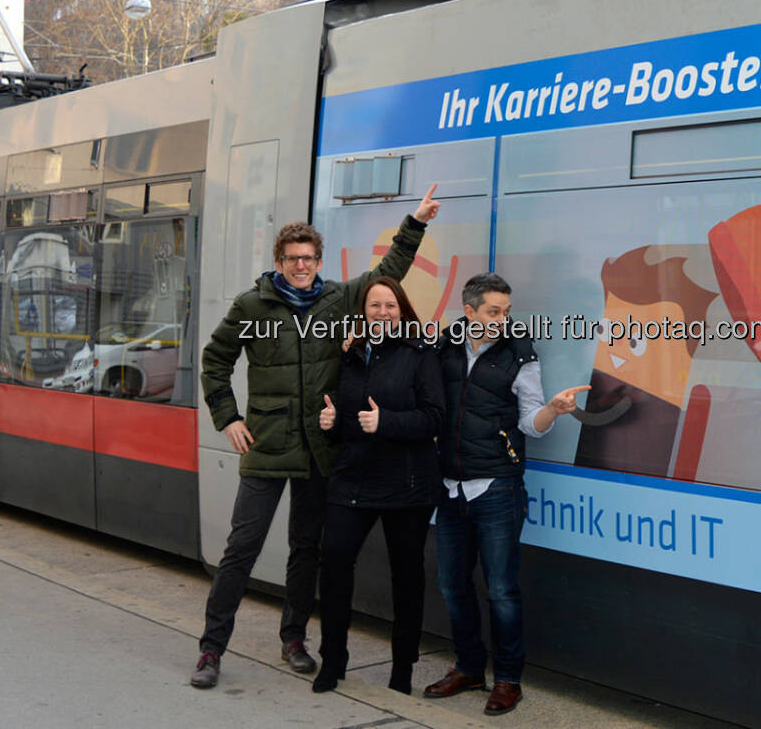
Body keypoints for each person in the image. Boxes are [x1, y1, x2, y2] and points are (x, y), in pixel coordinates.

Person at [190, 186, 440, 689]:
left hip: (318, 449)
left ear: (319, 260)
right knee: (242, 547)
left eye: (308, 258)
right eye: (292, 259)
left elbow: (387, 272)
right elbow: (216, 360)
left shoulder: (337, 300)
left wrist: (415, 223)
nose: (301, 266)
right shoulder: (252, 307)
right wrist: (228, 417)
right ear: (279, 261)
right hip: (265, 445)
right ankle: (211, 649)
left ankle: (294, 639)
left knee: (307, 548)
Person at [423, 273, 589, 716]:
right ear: (470, 310)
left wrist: (552, 410)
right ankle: (469, 668)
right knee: (451, 584)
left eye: (506, 311)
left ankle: (509, 680)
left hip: (497, 486)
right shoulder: (445, 345)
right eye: (494, 311)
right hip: (450, 486)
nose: (502, 319)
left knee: (501, 589)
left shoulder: (520, 352)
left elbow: (530, 418)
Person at [311, 276, 444, 696]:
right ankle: (333, 660)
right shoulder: (350, 354)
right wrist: (331, 426)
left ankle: (401, 669)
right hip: (353, 479)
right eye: (374, 306)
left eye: (390, 305)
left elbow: (435, 418)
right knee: (333, 564)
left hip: (407, 484)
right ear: (363, 312)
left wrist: (388, 422)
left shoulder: (420, 354)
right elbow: (350, 419)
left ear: (402, 310)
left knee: (406, 576)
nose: (382, 312)